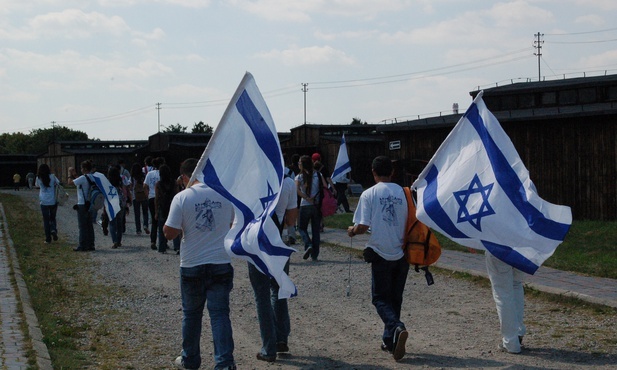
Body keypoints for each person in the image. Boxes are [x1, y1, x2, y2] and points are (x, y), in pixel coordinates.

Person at [163, 158, 237, 370]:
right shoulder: (224, 195)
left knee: (191, 315)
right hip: (220, 262)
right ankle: (224, 363)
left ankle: (190, 360)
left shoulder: (182, 197)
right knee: (220, 315)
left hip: (192, 263)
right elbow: (231, 224)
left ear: (186, 177)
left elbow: (169, 233)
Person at [347, 156, 409, 361]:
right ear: (392, 172)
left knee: (380, 298)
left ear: (373, 172)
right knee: (395, 298)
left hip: (381, 252)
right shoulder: (404, 192)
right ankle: (389, 340)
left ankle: (396, 327)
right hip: (402, 252)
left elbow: (363, 226)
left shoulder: (369, 194)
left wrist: (352, 231)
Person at [248, 166, 298, 362]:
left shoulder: (251, 180)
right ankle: (281, 339)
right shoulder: (287, 182)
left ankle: (268, 348)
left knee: (261, 295)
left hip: (256, 244)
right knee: (278, 290)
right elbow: (292, 219)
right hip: (278, 243)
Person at [486, 252, 526, 354]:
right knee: (516, 284)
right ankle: (518, 333)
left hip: (498, 247)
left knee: (502, 293)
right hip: (522, 247)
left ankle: (511, 342)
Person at [295, 155, 323, 261]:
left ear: (302, 165)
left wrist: (306, 197)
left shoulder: (299, 177)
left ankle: (308, 244)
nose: (298, 164)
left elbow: (296, 190)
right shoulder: (318, 174)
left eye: (299, 163)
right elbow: (323, 187)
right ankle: (315, 254)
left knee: (302, 228)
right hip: (316, 205)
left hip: (305, 204)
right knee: (316, 230)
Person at [67, 160, 96, 252]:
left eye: (82, 168)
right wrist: (75, 175)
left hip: (82, 203)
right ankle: (91, 244)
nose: (81, 169)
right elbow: (80, 181)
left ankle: (82, 245)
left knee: (82, 226)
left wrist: (70, 174)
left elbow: (70, 183)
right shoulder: (92, 177)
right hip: (90, 203)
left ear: (84, 169)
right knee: (89, 225)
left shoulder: (83, 178)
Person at [35, 163, 60, 244]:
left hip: (43, 200)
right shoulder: (52, 177)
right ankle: (53, 229)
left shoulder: (39, 178)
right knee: (53, 217)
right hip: (53, 200)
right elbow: (58, 183)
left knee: (46, 220)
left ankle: (48, 239)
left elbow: (37, 185)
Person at [154, 164, 177, 254]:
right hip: (172, 206)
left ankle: (162, 247)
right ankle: (177, 246)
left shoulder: (158, 184)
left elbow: (156, 198)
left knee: (161, 228)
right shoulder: (174, 183)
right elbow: (177, 194)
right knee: (175, 226)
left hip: (162, 207)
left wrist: (156, 212)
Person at [144, 157, 162, 250]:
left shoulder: (149, 174)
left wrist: (147, 195)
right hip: (161, 198)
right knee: (162, 220)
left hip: (151, 197)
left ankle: (153, 241)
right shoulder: (163, 174)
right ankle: (163, 241)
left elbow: (145, 185)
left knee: (154, 221)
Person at [107, 166, 127, 249]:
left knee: (112, 223)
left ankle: (114, 240)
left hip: (111, 202)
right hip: (120, 202)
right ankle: (119, 241)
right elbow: (124, 190)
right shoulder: (120, 180)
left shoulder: (107, 182)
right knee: (119, 223)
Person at [131, 163, 149, 235]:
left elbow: (131, 185)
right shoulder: (143, 175)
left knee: (137, 214)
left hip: (135, 196)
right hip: (144, 195)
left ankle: (138, 230)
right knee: (145, 212)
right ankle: (145, 225)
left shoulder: (132, 177)